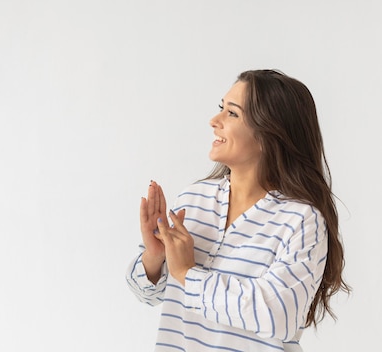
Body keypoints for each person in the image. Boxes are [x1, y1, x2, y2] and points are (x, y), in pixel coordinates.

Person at [126, 69, 350, 352]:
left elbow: (277, 314)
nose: (214, 121)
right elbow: (146, 294)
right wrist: (154, 258)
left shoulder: (301, 220)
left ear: (269, 133)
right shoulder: (194, 200)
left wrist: (187, 272)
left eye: (232, 113)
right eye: (222, 108)